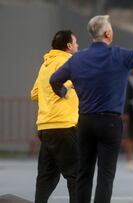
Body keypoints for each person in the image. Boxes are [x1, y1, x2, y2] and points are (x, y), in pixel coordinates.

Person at [50, 14, 133, 203]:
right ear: (107, 33)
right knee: (106, 176)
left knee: (84, 173)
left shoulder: (77, 59)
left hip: (85, 121)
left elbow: (54, 80)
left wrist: (64, 92)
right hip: (110, 122)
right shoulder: (120, 55)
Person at [31, 30, 79, 203]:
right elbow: (61, 87)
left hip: (45, 127)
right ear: (68, 46)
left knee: (46, 177)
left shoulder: (45, 65)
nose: (77, 46)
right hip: (64, 125)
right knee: (76, 175)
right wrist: (70, 84)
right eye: (76, 42)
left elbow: (34, 94)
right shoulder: (69, 63)